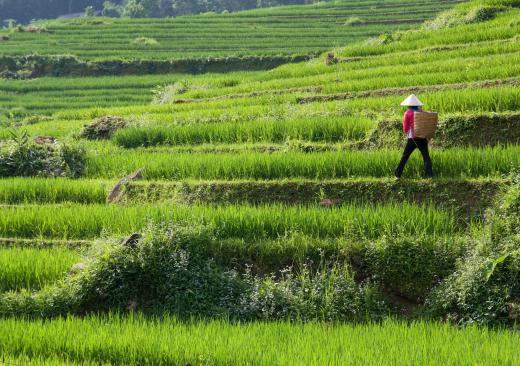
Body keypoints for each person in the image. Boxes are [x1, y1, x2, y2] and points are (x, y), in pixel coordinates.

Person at [394, 94, 433, 179]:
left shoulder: (408, 113)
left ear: (409, 105)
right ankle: (429, 175)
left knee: (405, 156)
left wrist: (407, 134)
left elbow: (405, 127)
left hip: (412, 139)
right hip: (422, 138)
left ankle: (397, 174)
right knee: (426, 156)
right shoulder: (421, 112)